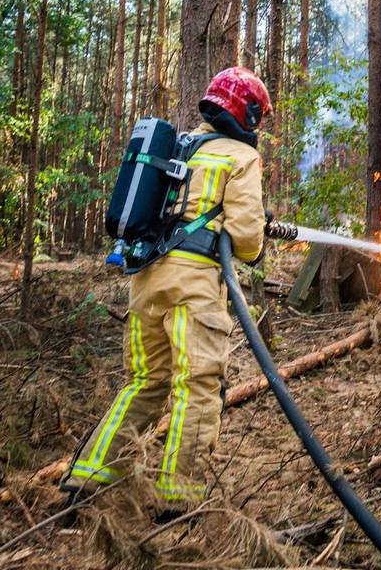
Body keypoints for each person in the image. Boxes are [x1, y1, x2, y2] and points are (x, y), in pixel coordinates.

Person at [60, 67, 271, 515]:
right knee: (195, 387)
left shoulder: (179, 147)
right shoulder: (239, 157)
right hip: (192, 293)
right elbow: (248, 242)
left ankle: (86, 480)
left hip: (146, 285)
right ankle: (178, 499)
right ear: (247, 114)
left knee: (144, 383)